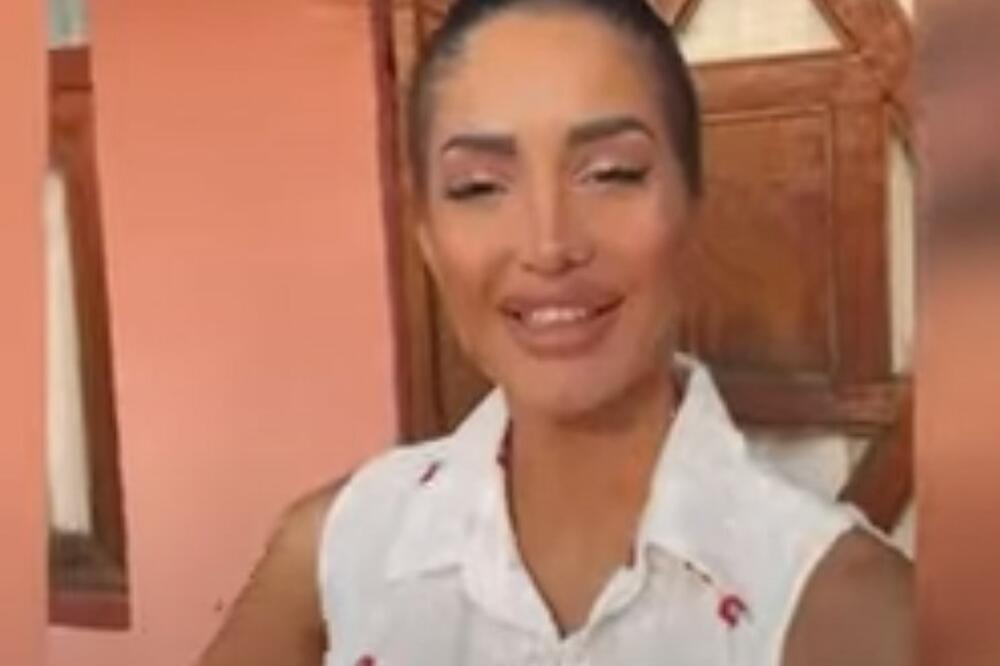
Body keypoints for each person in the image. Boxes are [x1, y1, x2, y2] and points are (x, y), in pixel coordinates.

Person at [198, 1, 912, 664]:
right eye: (479, 187)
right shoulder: (335, 558)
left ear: (692, 207)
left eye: (609, 173)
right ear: (428, 239)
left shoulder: (851, 611)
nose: (549, 244)